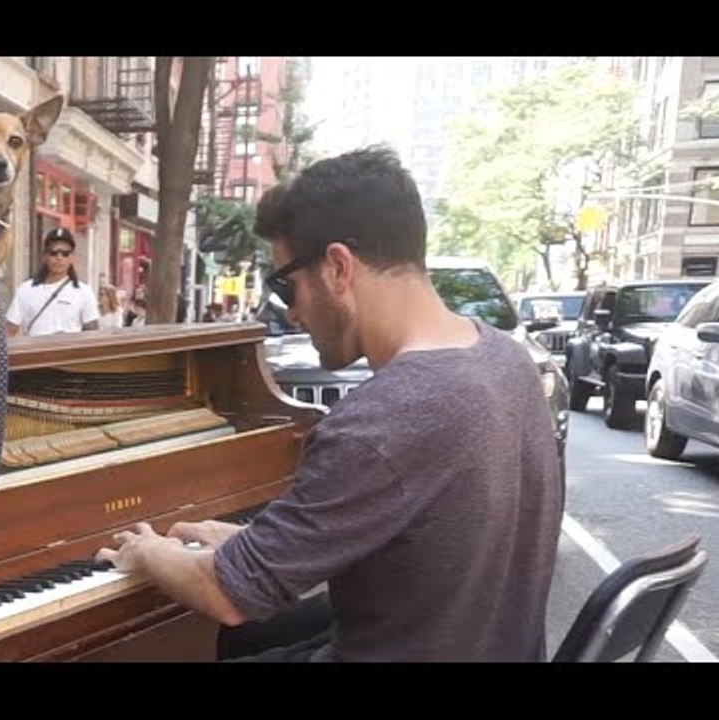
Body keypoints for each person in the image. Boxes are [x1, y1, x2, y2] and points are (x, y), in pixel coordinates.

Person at [95, 147, 563, 662]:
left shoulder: (381, 421)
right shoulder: (506, 358)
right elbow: (413, 532)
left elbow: (225, 594)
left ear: (338, 267)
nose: (291, 313)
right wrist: (254, 543)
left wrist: (147, 551)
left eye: (286, 286)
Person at [6, 227, 99, 337]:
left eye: (65, 253)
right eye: (53, 253)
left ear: (72, 258)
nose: (59, 258)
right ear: (45, 256)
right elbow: (10, 330)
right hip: (36, 347)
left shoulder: (84, 292)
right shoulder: (25, 290)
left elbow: (92, 334)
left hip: (70, 348)